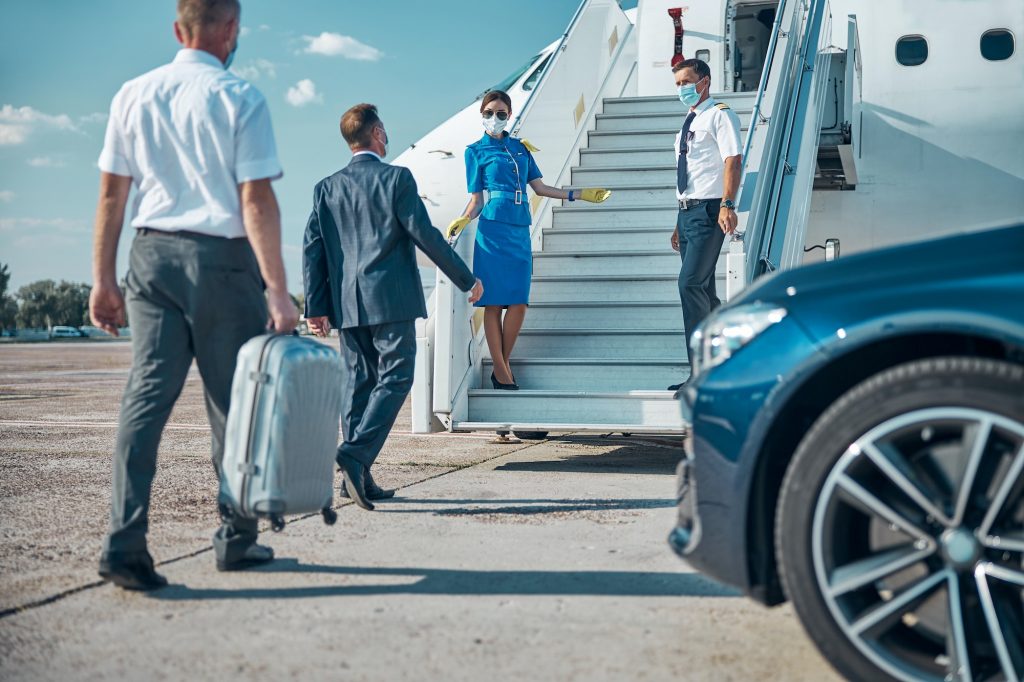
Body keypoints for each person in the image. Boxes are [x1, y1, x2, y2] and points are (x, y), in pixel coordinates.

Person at [89, 0, 299, 591]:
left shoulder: (132, 94)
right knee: (233, 408)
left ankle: (124, 543)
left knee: (145, 399)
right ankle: (236, 538)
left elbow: (112, 196)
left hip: (150, 258)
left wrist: (102, 279)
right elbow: (255, 200)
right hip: (222, 263)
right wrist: (279, 292)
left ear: (177, 29)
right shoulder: (240, 97)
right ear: (231, 30)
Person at [303, 103, 483, 511]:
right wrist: (466, 279)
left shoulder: (326, 187)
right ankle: (354, 455)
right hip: (391, 299)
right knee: (398, 376)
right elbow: (425, 234)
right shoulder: (396, 178)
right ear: (377, 133)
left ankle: (356, 480)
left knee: (359, 386)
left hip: (348, 302)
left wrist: (316, 306)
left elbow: (313, 248)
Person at [445, 90, 611, 390]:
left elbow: (541, 188)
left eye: (501, 113)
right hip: (492, 231)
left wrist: (580, 194)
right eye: (488, 113)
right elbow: (476, 199)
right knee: (493, 303)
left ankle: (501, 366)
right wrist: (463, 219)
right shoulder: (475, 151)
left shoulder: (521, 148)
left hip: (519, 228)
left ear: (509, 115)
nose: (494, 118)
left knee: (519, 303)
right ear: (482, 115)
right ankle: (502, 371)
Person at [667, 58, 742, 391]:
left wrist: (727, 203)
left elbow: (733, 160)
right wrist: (678, 221)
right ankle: (727, 359)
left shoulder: (720, 115)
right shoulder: (690, 119)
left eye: (687, 82)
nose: (682, 88)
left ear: (705, 81)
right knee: (706, 294)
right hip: (688, 214)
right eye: (678, 84)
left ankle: (700, 374)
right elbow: (691, 174)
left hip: (710, 210)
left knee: (690, 285)